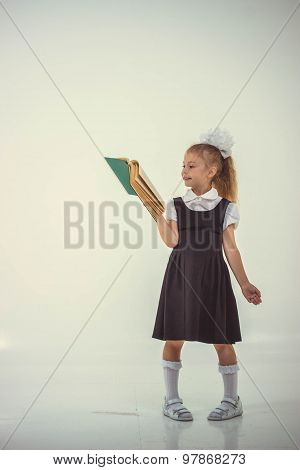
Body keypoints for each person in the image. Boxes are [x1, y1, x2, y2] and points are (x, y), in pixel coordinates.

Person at [152, 127, 262, 422]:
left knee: (222, 341)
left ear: (212, 170)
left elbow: (231, 249)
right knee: (174, 338)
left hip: (213, 280)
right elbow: (171, 241)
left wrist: (244, 283)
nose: (184, 170)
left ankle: (231, 400)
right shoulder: (175, 205)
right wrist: (153, 210)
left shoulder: (226, 208)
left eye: (191, 165)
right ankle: (171, 400)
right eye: (183, 165)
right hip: (180, 279)